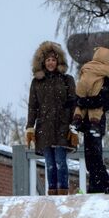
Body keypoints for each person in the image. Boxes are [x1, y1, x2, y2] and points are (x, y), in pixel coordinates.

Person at [26, 41, 76, 195]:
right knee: (50, 164)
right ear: (43, 62)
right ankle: (52, 192)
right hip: (44, 127)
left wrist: (73, 126)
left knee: (61, 162)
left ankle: (63, 191)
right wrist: (30, 127)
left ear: (58, 61)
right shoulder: (37, 82)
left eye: (53, 60)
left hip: (62, 126)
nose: (51, 63)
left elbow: (73, 103)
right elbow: (33, 106)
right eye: (48, 60)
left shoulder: (67, 80)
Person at [73, 46, 109, 193]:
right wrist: (82, 102)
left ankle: (101, 184)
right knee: (90, 156)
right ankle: (98, 183)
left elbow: (105, 102)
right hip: (89, 121)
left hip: (96, 120)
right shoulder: (92, 74)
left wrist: (83, 102)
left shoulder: (106, 79)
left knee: (94, 155)